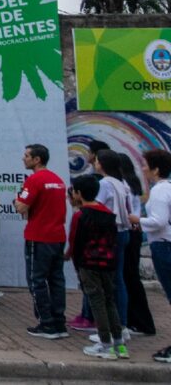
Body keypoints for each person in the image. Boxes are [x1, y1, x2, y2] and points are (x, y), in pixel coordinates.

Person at [66, 175, 126, 359]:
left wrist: (73, 260)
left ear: (78, 193)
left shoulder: (80, 215)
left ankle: (106, 344)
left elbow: (75, 242)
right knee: (109, 300)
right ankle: (119, 343)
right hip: (108, 262)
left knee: (97, 301)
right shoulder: (108, 214)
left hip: (88, 263)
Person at [15, 143, 68, 339]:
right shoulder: (57, 180)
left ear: (37, 159)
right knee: (56, 280)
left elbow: (21, 207)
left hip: (38, 237)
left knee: (36, 280)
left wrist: (17, 200)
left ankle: (46, 323)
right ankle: (59, 321)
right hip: (57, 236)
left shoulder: (34, 180)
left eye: (27, 155)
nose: (23, 158)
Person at [130, 149, 171, 363]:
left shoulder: (159, 191)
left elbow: (158, 221)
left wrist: (137, 220)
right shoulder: (167, 188)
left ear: (156, 169)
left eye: (145, 165)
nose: (142, 169)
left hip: (164, 246)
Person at [93, 149, 131, 335]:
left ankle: (115, 326)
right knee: (118, 279)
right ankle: (121, 324)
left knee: (108, 281)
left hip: (110, 233)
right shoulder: (121, 183)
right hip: (122, 232)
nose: (94, 163)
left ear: (102, 164)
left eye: (96, 160)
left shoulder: (105, 183)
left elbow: (97, 207)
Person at [117, 152, 155, 336]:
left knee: (128, 277)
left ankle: (139, 322)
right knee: (130, 277)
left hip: (130, 230)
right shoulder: (133, 184)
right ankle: (138, 320)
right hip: (135, 233)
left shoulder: (124, 185)